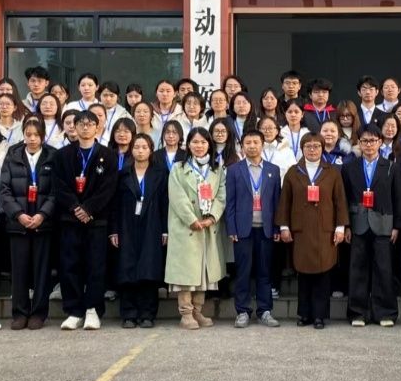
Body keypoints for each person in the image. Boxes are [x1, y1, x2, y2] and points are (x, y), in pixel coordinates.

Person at [51, 110, 119, 330]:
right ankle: (74, 310)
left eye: (90, 124)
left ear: (98, 127)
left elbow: (108, 188)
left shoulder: (108, 155)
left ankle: (93, 310)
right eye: (81, 123)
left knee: (95, 266)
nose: (85, 127)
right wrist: (75, 207)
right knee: (69, 265)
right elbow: (59, 185)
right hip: (70, 219)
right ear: (75, 127)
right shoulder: (63, 155)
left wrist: (88, 208)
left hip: (96, 221)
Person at [277, 133, 348, 329]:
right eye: (308, 146)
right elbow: (285, 201)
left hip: (325, 231)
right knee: (304, 274)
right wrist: (284, 226)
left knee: (323, 275)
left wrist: (340, 227)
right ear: (302, 149)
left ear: (322, 149)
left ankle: (319, 316)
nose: (312, 150)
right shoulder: (293, 172)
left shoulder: (332, 172)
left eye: (317, 146)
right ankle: (304, 314)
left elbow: (340, 201)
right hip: (301, 230)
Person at [166, 128, 227, 330]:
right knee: (186, 270)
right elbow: (177, 197)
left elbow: (221, 196)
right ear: (188, 145)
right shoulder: (178, 168)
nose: (199, 146)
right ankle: (185, 313)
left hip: (208, 227)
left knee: (203, 272)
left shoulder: (217, 169)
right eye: (195, 142)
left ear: (209, 144)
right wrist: (191, 219)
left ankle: (197, 310)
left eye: (203, 142)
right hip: (186, 227)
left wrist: (212, 217)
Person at [0, 119, 57, 330]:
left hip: (43, 223)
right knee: (19, 270)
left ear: (42, 136)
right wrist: (18, 214)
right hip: (19, 224)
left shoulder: (52, 156)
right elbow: (4, 190)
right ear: (23, 134)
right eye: (28, 134)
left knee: (42, 270)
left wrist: (43, 214)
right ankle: (20, 313)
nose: (32, 139)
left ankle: (39, 313)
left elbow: (56, 191)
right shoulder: (12, 156)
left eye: (36, 135)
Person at [341, 126, 401, 328]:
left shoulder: (391, 167)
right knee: (357, 269)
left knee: (384, 269)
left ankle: (385, 312)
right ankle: (357, 312)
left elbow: (398, 198)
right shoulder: (349, 167)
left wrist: (397, 226)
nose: (369, 145)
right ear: (359, 143)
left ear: (380, 142)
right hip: (357, 224)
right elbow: (344, 198)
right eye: (365, 141)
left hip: (384, 224)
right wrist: (346, 226)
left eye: (373, 140)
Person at [224, 131, 283, 329]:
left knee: (264, 272)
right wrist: (231, 227)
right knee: (243, 272)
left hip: (266, 229)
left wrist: (277, 227)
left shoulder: (273, 170)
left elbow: (277, 202)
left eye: (255, 142)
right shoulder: (234, 170)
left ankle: (265, 311)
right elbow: (230, 202)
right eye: (247, 142)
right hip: (243, 229)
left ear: (262, 144)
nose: (251, 146)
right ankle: (242, 312)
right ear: (242, 146)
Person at [111, 134, 169, 329]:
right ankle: (128, 313)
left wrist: (165, 230)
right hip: (126, 225)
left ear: (151, 150)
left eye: (145, 147)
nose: (140, 151)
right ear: (131, 150)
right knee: (127, 268)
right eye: (137, 147)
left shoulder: (160, 174)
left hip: (152, 225)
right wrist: (114, 230)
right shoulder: (123, 174)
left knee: (148, 269)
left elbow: (165, 203)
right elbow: (115, 205)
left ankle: (147, 314)